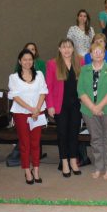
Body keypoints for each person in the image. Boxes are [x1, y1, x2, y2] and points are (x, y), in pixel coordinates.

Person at [78, 43, 107, 180]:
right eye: (94, 52)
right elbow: (81, 91)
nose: (97, 54)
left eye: (100, 51)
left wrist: (99, 106)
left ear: (104, 54)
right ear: (90, 55)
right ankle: (98, 167)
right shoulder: (84, 70)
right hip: (89, 111)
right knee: (95, 139)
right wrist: (93, 108)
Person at [9, 49, 48, 184]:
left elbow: (43, 92)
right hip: (21, 114)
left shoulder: (39, 75)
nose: (27, 62)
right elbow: (15, 97)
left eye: (30, 59)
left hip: (38, 112)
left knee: (36, 143)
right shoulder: (13, 77)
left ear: (33, 61)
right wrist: (31, 109)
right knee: (25, 144)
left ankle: (36, 170)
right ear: (20, 61)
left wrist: (37, 109)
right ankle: (27, 171)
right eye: (24, 59)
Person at [46, 39, 84, 177]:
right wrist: (49, 105)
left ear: (73, 49)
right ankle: (65, 163)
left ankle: (73, 161)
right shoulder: (52, 64)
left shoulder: (80, 62)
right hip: (59, 104)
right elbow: (48, 87)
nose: (67, 50)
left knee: (74, 134)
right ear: (59, 49)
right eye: (64, 47)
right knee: (62, 134)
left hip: (76, 105)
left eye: (69, 47)